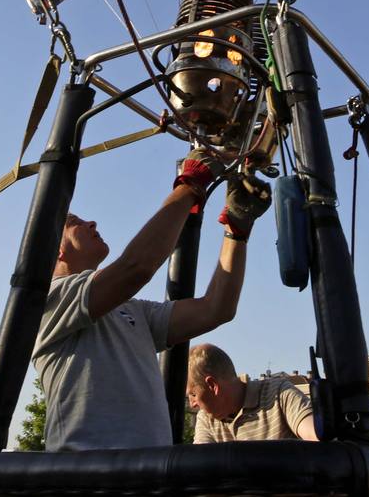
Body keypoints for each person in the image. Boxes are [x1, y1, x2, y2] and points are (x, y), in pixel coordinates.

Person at [34, 150, 271, 451]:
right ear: (55, 251)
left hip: (149, 475)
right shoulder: (49, 300)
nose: (92, 222)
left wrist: (236, 232)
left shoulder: (130, 310)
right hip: (89, 477)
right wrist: (190, 185)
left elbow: (217, 308)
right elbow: (137, 267)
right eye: (74, 222)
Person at [188, 343, 318, 442]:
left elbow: (317, 438)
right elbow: (199, 472)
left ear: (212, 386)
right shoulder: (206, 418)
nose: (192, 404)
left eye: (193, 394)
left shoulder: (280, 393)